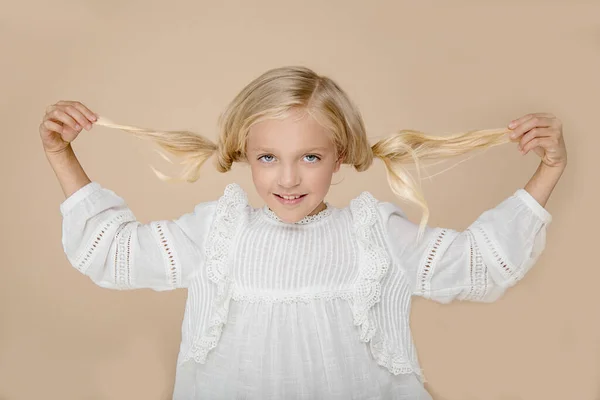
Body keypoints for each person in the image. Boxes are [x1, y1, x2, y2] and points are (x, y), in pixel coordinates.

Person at [40, 66, 567, 399]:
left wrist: (547, 171)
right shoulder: (217, 234)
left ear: (340, 157)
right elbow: (114, 253)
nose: (288, 178)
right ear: (246, 156)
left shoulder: (374, 235)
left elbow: (477, 264)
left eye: (309, 157)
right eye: (268, 157)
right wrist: (61, 154)